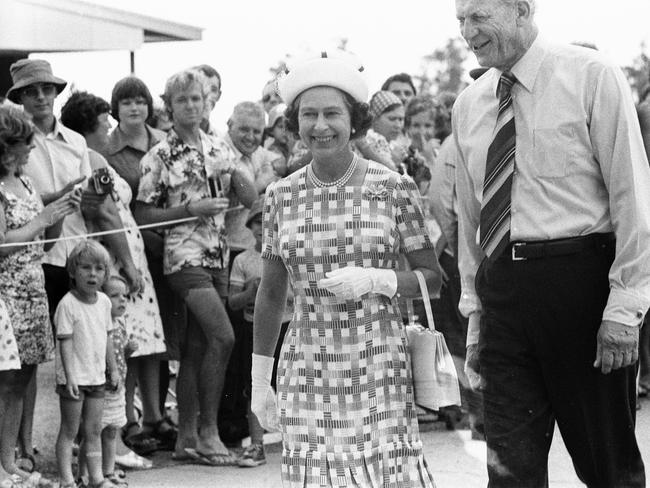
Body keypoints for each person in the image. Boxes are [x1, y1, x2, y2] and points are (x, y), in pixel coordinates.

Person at [453, 0, 650, 486]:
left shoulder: (591, 75)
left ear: (521, 9)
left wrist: (625, 309)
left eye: (478, 16)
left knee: (609, 469)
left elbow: (632, 195)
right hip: (502, 300)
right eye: (460, 20)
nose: (466, 31)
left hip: (580, 289)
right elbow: (471, 220)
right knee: (509, 472)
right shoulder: (469, 104)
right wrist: (476, 315)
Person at [251, 49, 441, 487]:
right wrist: (260, 381)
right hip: (306, 366)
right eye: (308, 115)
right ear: (295, 123)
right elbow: (271, 294)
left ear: (353, 121)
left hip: (377, 363)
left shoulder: (394, 188)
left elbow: (433, 278)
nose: (320, 126)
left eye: (332, 113)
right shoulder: (281, 196)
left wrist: (379, 279)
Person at [135, 68, 257, 465]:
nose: (191, 105)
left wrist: (238, 172)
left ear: (208, 105)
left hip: (218, 254)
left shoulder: (219, 148)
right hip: (182, 256)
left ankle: (187, 438)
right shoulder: (160, 154)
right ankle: (208, 431)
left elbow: (250, 198)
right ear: (169, 107)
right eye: (183, 99)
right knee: (224, 337)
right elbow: (141, 214)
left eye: (197, 99)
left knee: (197, 346)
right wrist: (190, 209)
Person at [60, 90, 173, 457]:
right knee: (123, 340)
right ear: (88, 128)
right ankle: (122, 426)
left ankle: (134, 422)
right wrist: (126, 263)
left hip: (129, 248)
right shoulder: (93, 159)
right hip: (117, 254)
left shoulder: (93, 157)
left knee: (138, 340)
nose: (108, 126)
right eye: (103, 122)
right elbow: (107, 216)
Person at [5, 59, 96, 468]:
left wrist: (78, 201)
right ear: (19, 98)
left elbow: (80, 205)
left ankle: (72, 446)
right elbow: (25, 214)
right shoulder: (13, 138)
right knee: (18, 370)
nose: (41, 97)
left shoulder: (75, 140)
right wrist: (56, 202)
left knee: (60, 356)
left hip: (65, 253)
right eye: (31, 91)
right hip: (22, 267)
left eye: (46, 89)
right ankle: (21, 448)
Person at [0, 105, 76, 488]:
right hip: (6, 291)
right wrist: (42, 220)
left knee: (22, 377)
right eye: (25, 144)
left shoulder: (26, 183)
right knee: (6, 379)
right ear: (6, 148)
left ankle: (8, 459)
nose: (31, 150)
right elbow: (1, 243)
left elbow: (44, 238)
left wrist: (58, 211)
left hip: (33, 287)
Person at [228, 198, 292, 468]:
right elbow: (232, 301)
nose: (264, 228)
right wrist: (251, 292)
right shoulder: (243, 260)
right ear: (250, 226)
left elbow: (298, 296)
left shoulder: (290, 255)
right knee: (256, 385)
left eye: (269, 222)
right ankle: (256, 445)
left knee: (291, 387)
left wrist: (276, 292)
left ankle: (295, 446)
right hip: (254, 330)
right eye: (258, 222)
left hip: (287, 328)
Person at [54, 240, 118, 488]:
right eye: (85, 268)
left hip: (96, 377)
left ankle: (96, 478)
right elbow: (66, 343)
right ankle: (66, 480)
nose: (93, 274)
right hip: (75, 379)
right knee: (69, 431)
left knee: (93, 431)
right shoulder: (67, 304)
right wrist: (69, 377)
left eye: (99, 269)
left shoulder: (104, 302)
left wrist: (112, 369)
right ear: (73, 271)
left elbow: (107, 338)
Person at [224, 101, 282, 257]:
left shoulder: (255, 152)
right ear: (230, 125)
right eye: (244, 129)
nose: (250, 137)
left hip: (249, 249)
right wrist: (263, 180)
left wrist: (272, 168)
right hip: (228, 248)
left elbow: (282, 162)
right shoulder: (220, 152)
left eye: (256, 132)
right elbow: (250, 199)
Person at [363, 90, 406, 171]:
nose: (398, 125)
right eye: (392, 119)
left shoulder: (393, 144)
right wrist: (393, 161)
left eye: (401, 119)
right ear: (375, 119)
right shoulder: (372, 140)